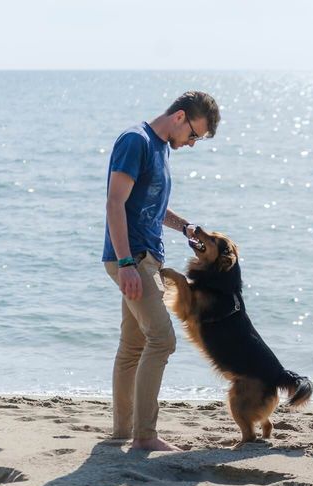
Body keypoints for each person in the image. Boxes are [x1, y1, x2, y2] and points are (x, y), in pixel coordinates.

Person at [102, 91, 220, 451]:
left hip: (146, 257)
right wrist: (125, 264)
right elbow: (115, 202)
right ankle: (145, 436)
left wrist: (184, 227)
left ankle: (123, 432)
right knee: (162, 339)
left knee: (134, 344)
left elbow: (150, 206)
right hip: (132, 258)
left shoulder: (161, 147)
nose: (193, 143)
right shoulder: (135, 141)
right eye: (194, 135)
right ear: (180, 117)